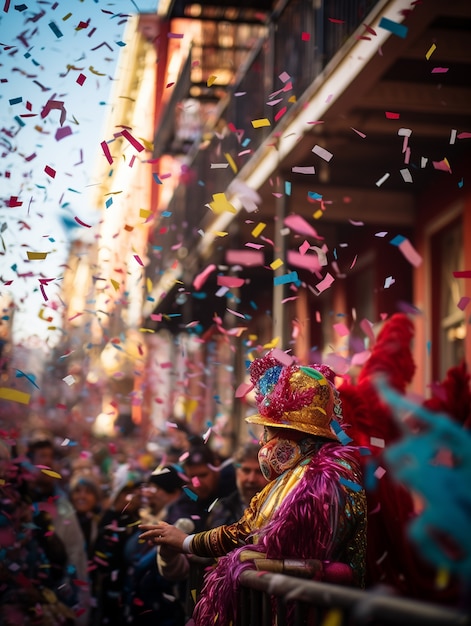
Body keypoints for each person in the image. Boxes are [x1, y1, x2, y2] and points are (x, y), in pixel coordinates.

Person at [140, 355, 367, 625]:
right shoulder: (338, 472)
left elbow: (247, 534)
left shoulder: (308, 479)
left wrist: (185, 541)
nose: (264, 441)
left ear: (291, 436)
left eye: (269, 432)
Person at [22, 434, 91, 624]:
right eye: (42, 456)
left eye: (51, 456)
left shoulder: (64, 507)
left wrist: (80, 612)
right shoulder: (16, 503)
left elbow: (76, 557)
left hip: (55, 601)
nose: (48, 462)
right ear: (29, 463)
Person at [122, 464, 187, 625]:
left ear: (174, 494)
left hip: (163, 613)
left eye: (156, 489)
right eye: (148, 488)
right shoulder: (151, 517)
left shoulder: (178, 524)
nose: (149, 495)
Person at [91, 463, 143, 626]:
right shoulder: (109, 522)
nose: (135, 496)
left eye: (137, 490)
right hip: (113, 592)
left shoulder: (136, 518)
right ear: (118, 494)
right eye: (128, 492)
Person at [164, 443, 236, 533]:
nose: (197, 484)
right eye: (193, 477)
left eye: (203, 475)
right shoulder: (190, 495)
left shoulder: (232, 491)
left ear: (216, 467)